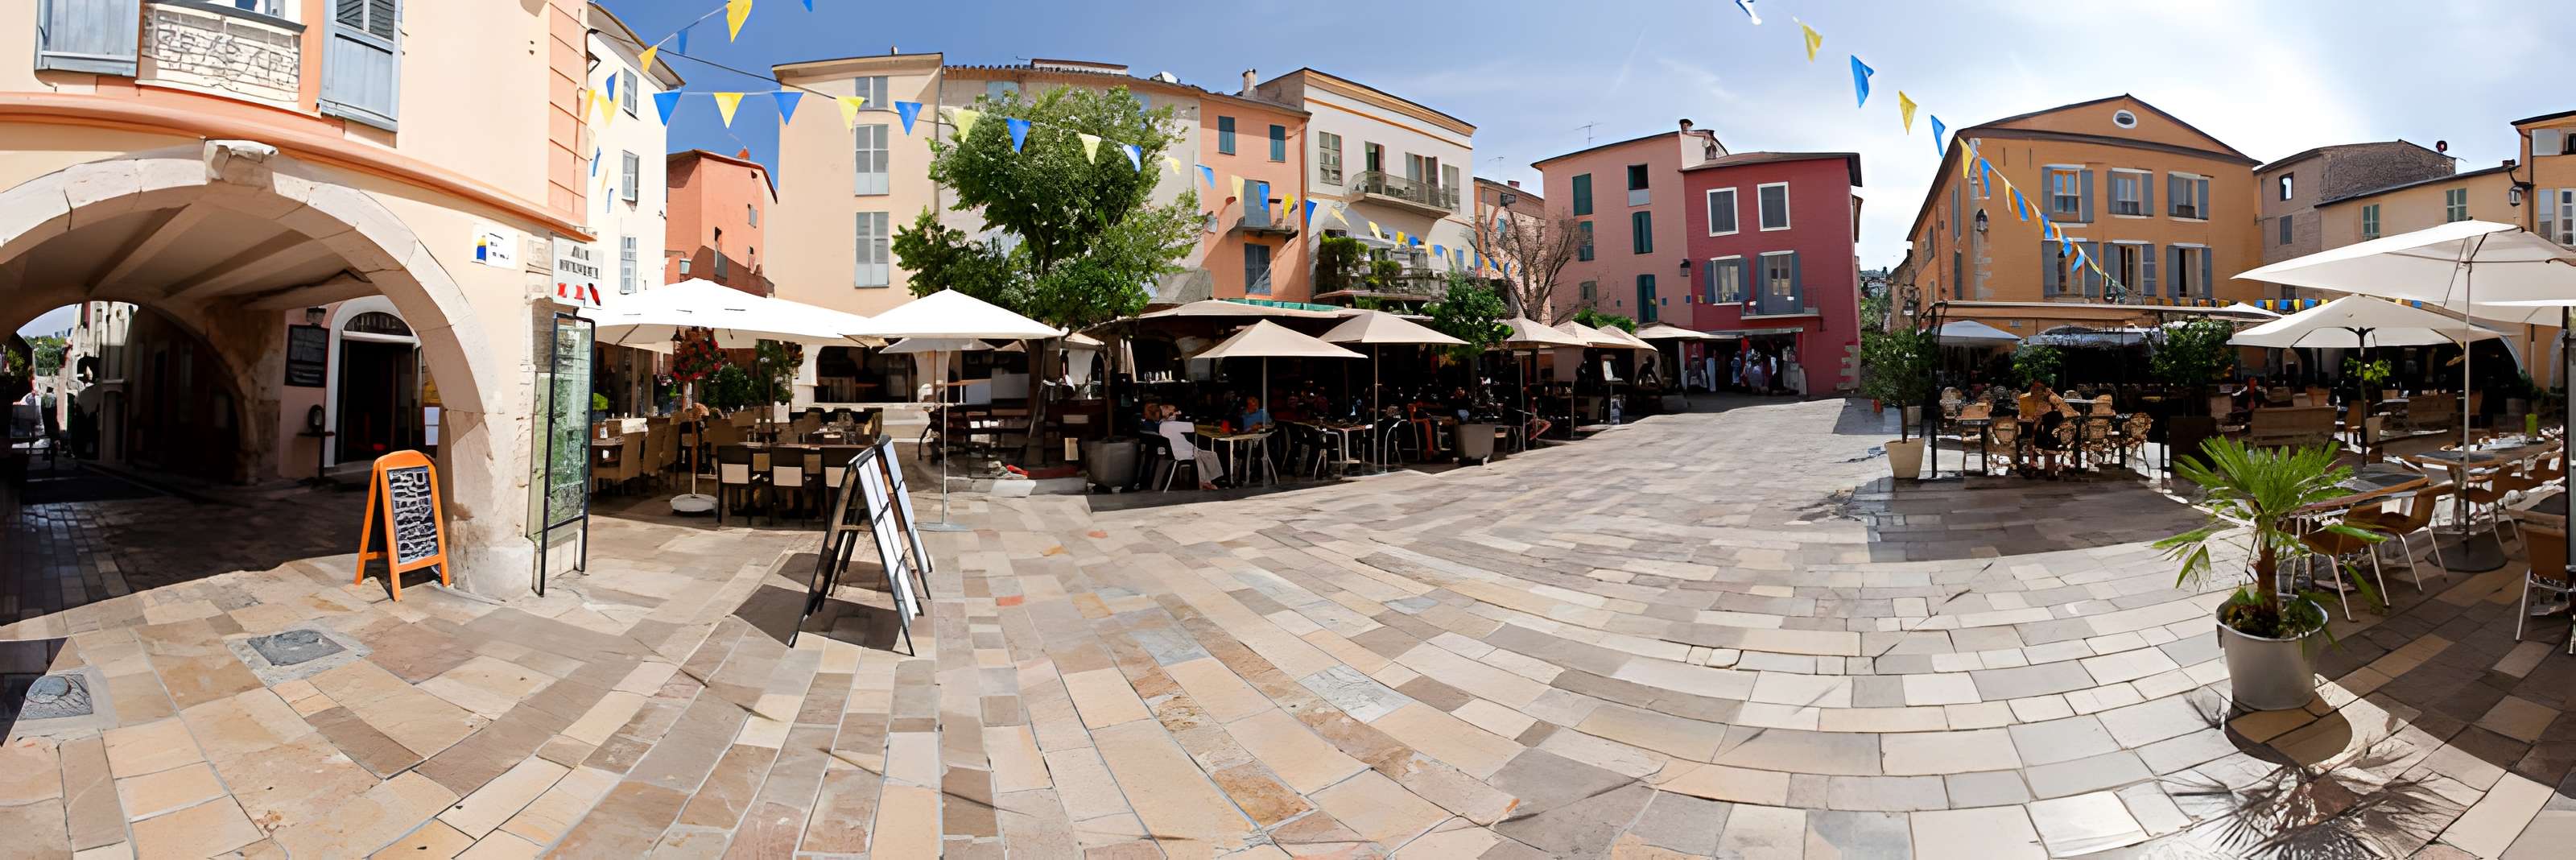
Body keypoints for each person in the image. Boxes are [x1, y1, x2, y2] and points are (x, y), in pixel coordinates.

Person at [1156, 404, 1224, 490]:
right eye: (1175, 411)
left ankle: (1206, 482)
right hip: (1180, 453)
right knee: (1207, 455)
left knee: (1204, 454)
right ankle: (1206, 482)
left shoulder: (1162, 424)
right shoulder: (1170, 425)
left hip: (1175, 451)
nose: (1177, 413)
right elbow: (1193, 427)